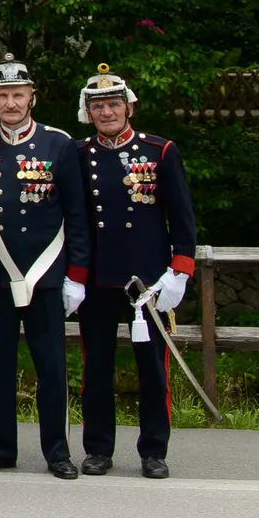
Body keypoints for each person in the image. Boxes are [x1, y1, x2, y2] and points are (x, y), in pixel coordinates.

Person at [0, 55, 87, 480]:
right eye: (3, 95)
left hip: (46, 274)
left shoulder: (59, 144)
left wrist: (77, 275)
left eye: (18, 94)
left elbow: (77, 215)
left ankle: (57, 451)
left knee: (51, 366)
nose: (11, 103)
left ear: (32, 97)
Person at [75, 64, 197, 480]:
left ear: (129, 107)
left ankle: (154, 451)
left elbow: (182, 217)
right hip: (98, 280)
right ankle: (98, 449)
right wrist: (74, 276)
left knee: (153, 370)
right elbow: (75, 222)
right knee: (97, 370)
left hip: (149, 283)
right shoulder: (79, 154)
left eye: (113, 104)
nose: (107, 112)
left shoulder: (160, 151)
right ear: (88, 112)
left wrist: (179, 271)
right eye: (98, 106)